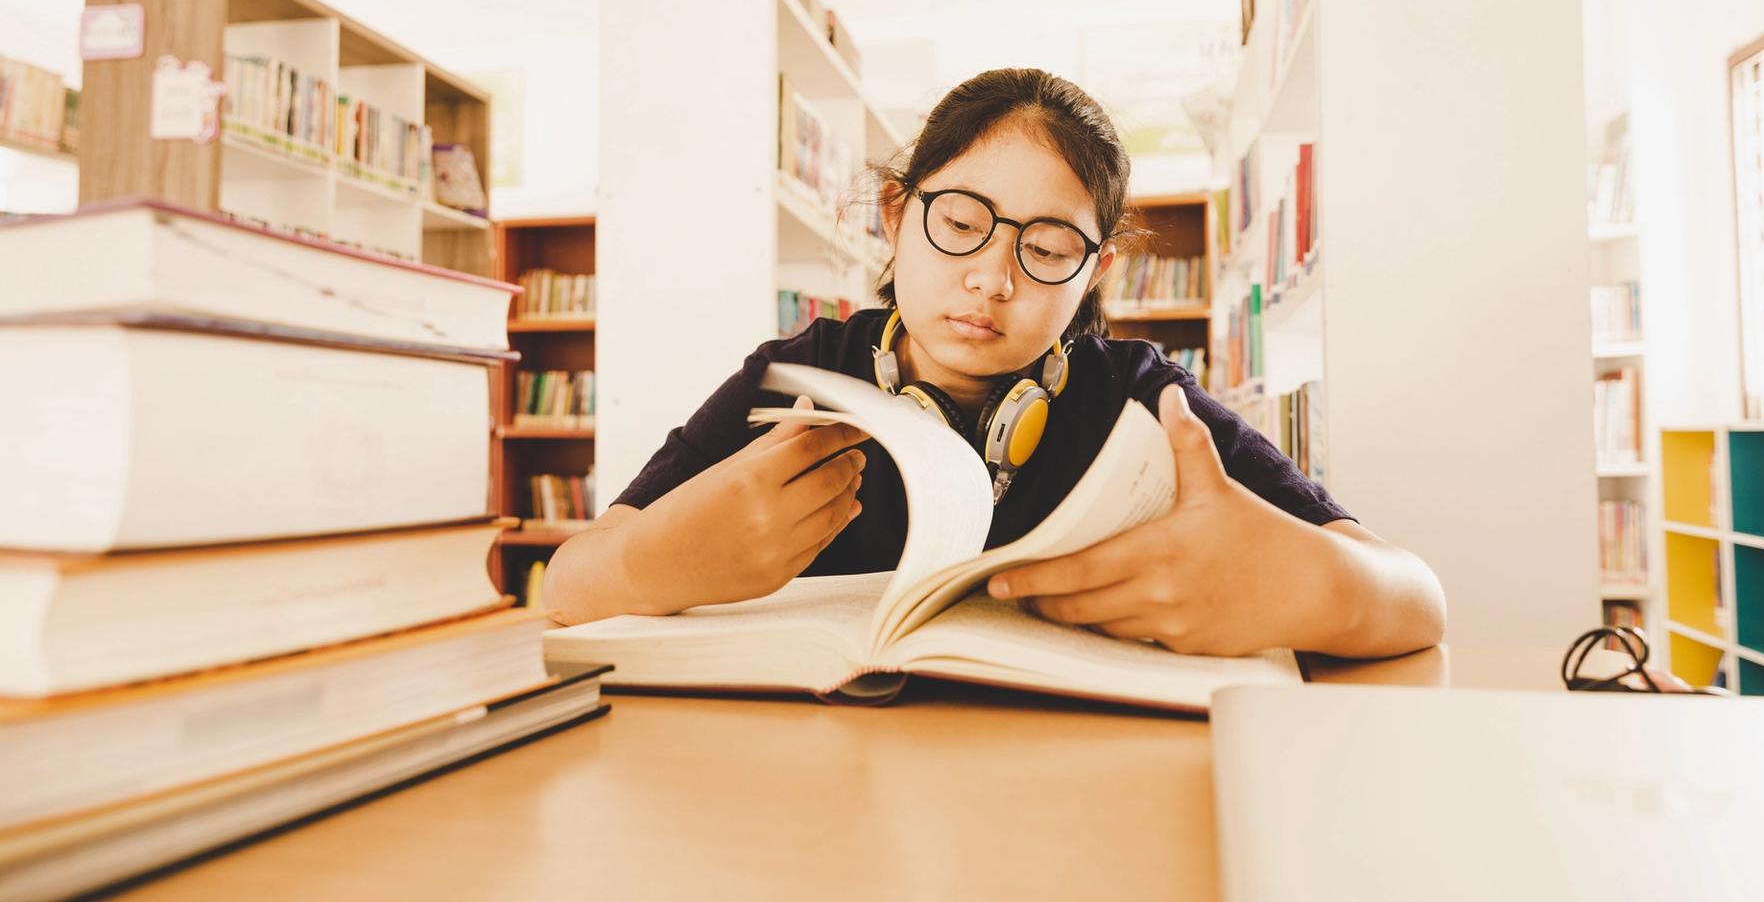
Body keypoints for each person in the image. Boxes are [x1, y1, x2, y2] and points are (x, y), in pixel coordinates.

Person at [544, 68, 1446, 658]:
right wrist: (655, 562)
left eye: (1047, 246)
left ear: (1095, 266)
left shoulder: (1142, 398)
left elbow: (1416, 600)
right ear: (896, 214)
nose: (991, 278)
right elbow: (569, 583)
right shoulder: (797, 374)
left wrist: (1306, 583)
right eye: (963, 224)